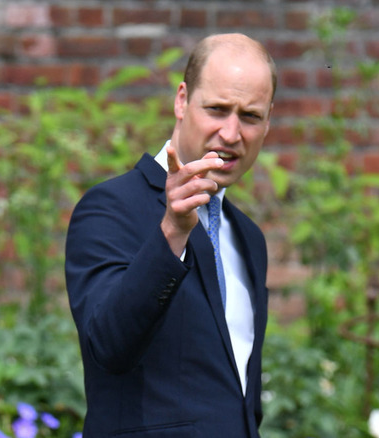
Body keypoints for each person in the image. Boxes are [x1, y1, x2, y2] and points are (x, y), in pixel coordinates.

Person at [65, 33, 275, 438]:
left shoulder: (249, 238)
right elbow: (107, 348)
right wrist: (171, 233)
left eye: (249, 116)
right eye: (217, 109)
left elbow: (241, 402)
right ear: (182, 101)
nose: (231, 134)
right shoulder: (109, 208)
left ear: (268, 121)